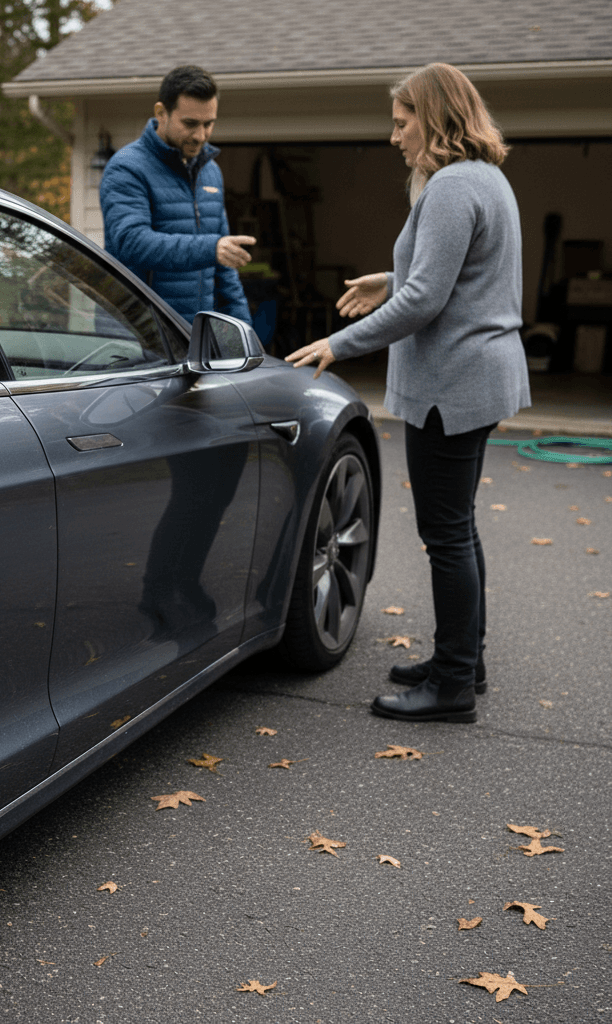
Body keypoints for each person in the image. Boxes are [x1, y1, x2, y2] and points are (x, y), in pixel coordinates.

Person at [285, 62, 530, 724]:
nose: (394, 137)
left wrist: (341, 344)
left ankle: (451, 686)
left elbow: (428, 297)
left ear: (437, 117)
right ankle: (463, 662)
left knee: (445, 532)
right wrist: (385, 277)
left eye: (401, 123)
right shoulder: (488, 179)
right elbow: (452, 276)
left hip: (454, 385)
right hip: (479, 377)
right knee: (457, 528)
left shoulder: (450, 186)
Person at [100, 64, 254, 324]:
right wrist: (210, 248)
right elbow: (132, 242)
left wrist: (244, 334)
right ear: (162, 113)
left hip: (193, 336)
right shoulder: (126, 167)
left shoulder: (211, 172)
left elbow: (225, 269)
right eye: (190, 124)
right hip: (137, 334)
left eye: (209, 124)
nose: (201, 135)